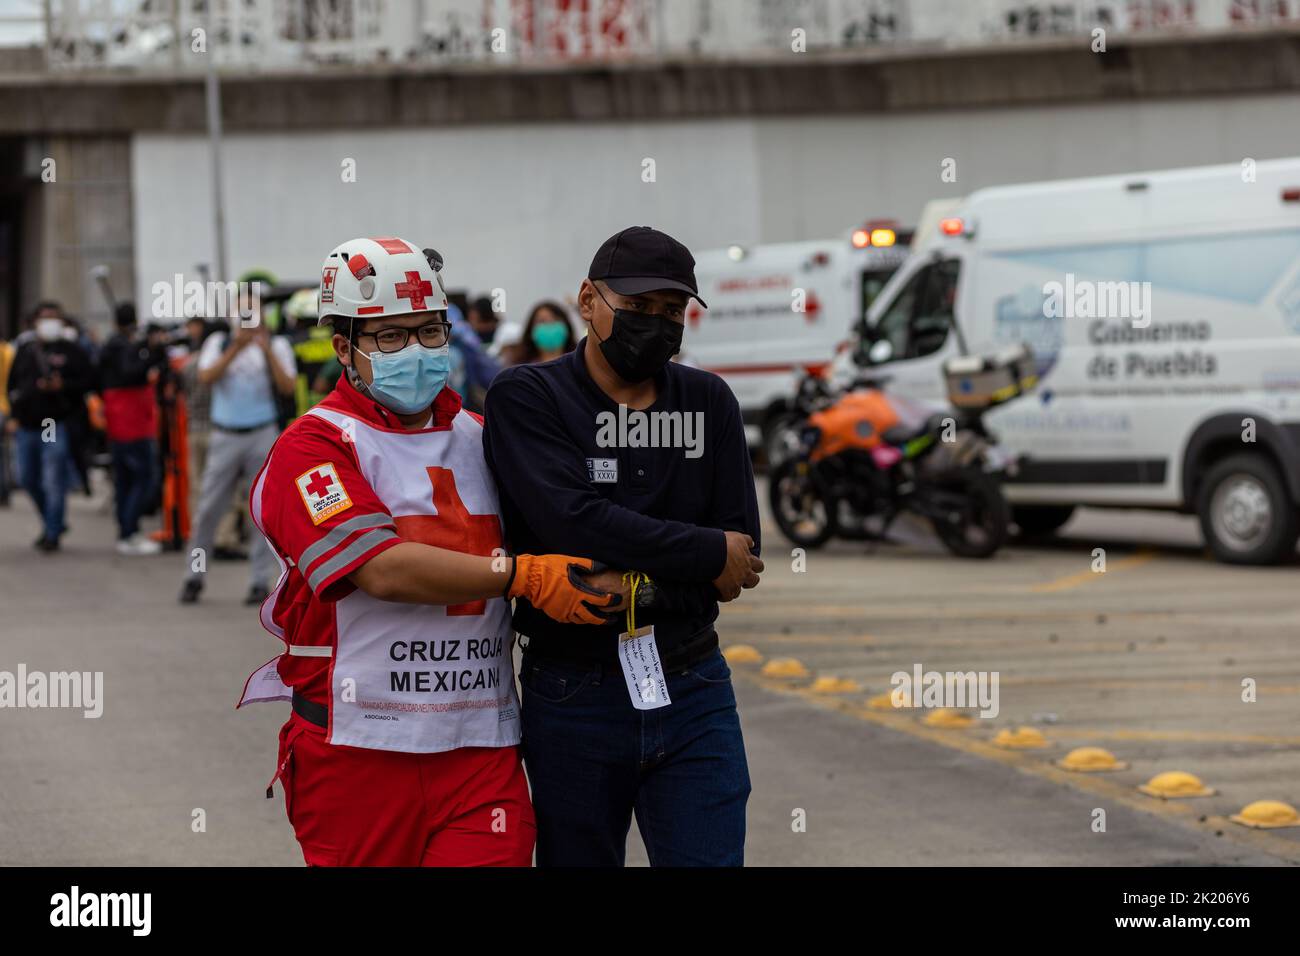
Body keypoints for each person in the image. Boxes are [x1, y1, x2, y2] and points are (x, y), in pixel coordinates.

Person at [237, 236, 622, 867]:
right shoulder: (313, 449)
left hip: (479, 751)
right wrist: (521, 576)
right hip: (357, 754)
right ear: (345, 348)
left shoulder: (482, 437)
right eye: (390, 337)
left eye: (429, 331)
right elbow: (382, 570)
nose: (415, 350)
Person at [483, 225, 764, 867]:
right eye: (637, 307)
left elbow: (742, 554)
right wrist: (702, 554)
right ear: (588, 301)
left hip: (692, 683)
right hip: (573, 691)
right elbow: (571, 523)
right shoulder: (528, 396)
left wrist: (636, 578)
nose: (656, 324)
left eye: (672, 312)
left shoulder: (709, 401)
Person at [178, 304, 296, 605]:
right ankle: (195, 576)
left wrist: (265, 349)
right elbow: (206, 377)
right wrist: (236, 348)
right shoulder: (218, 343)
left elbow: (288, 386)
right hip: (225, 433)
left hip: (262, 432)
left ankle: (260, 581)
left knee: (262, 512)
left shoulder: (276, 344)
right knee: (208, 510)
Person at [6, 303, 95, 552]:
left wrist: (62, 385)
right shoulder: (25, 350)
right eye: (44, 318)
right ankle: (52, 519)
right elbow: (13, 384)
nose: (49, 322)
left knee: (53, 478)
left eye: (53, 318)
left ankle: (53, 532)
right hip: (27, 424)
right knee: (28, 477)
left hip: (52, 422)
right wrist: (14, 415)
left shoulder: (71, 351)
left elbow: (88, 381)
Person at [98, 303, 168, 555]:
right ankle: (129, 532)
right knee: (143, 478)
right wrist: (153, 354)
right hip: (132, 423)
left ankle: (126, 531)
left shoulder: (111, 347)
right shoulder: (122, 348)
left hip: (120, 422)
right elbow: (132, 373)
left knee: (126, 480)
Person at [513, 300, 578, 366]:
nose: (549, 325)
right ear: (531, 331)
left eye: (555, 319)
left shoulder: (580, 364)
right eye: (542, 321)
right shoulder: (521, 370)